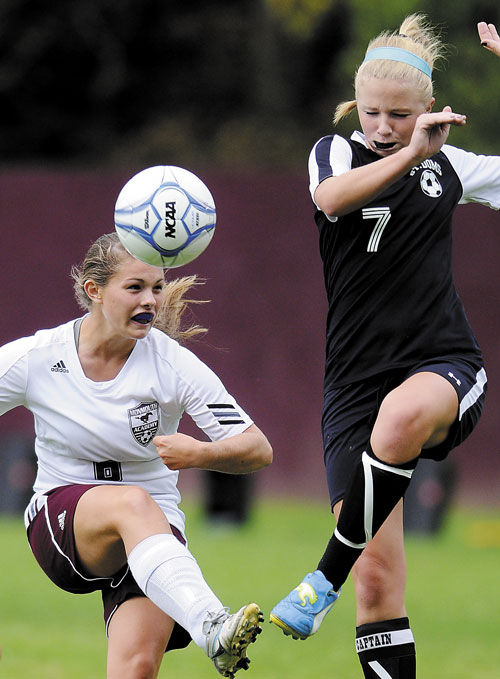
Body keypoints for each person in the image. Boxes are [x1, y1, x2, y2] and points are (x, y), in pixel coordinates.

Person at [270, 15, 500, 679]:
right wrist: (408, 155)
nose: (382, 126)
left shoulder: (453, 167)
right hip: (352, 387)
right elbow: (331, 198)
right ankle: (340, 580)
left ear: (427, 108)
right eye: (371, 112)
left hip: (444, 365)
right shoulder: (335, 153)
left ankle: (319, 579)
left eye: (400, 116)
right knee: (375, 586)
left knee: (401, 417)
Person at [0, 232, 273, 679]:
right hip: (61, 522)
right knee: (132, 501)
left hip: (153, 537)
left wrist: (201, 452)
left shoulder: (172, 363)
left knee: (138, 668)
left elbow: (258, 448)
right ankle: (212, 626)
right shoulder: (37, 357)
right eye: (135, 288)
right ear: (94, 290)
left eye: (157, 288)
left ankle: (210, 627)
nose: (151, 301)